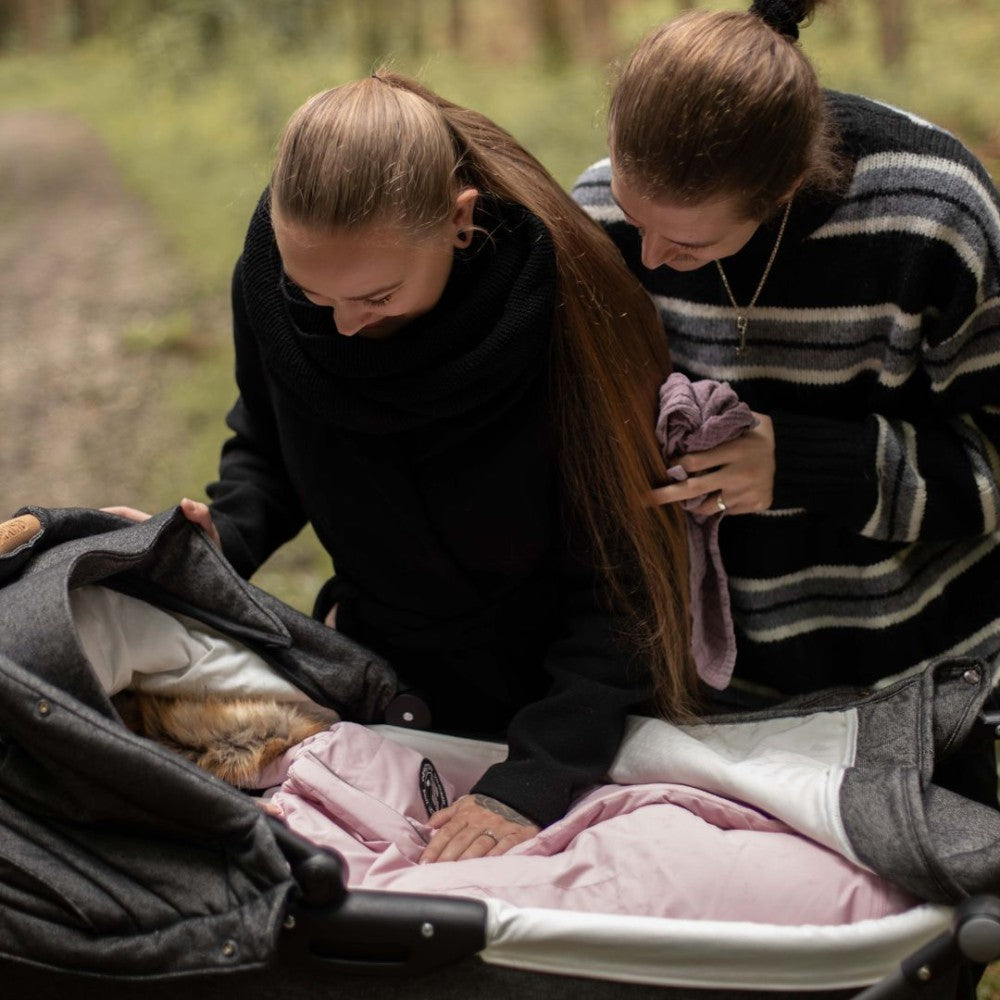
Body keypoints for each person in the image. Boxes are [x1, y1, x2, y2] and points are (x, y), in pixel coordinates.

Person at [107, 72, 693, 861]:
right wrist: (215, 542)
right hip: (387, 687)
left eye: (377, 297)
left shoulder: (566, 314)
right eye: (314, 298)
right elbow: (269, 444)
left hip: (570, 710)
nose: (345, 328)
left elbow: (626, 587)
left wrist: (536, 779)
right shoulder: (275, 283)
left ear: (460, 221)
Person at [572, 0, 1000, 712]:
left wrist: (799, 463)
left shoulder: (934, 215)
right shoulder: (597, 212)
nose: (648, 257)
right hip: (710, 679)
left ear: (783, 190)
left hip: (920, 676)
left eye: (689, 246)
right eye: (633, 216)